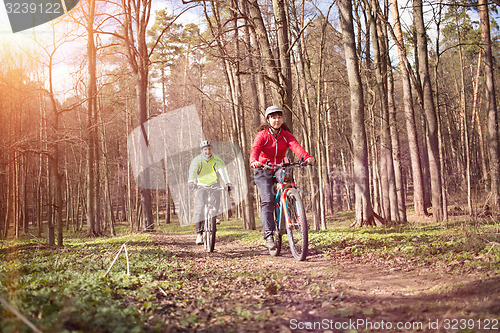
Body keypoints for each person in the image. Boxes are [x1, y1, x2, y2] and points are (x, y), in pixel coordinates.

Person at [250, 106, 315, 250]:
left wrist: (307, 157)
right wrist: (254, 161)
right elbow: (255, 149)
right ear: (268, 120)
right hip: (263, 168)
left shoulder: (286, 134)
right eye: (273, 117)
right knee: (267, 201)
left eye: (279, 117)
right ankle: (269, 235)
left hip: (280, 166)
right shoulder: (262, 134)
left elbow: (296, 146)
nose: (277, 120)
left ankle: (293, 212)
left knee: (288, 183)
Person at [188, 140, 232, 245]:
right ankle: (199, 234)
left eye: (209, 149)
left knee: (217, 198)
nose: (208, 151)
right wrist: (190, 181)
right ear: (201, 151)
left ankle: (214, 216)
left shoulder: (216, 159)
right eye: (205, 149)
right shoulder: (197, 160)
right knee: (200, 206)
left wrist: (227, 183)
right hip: (200, 185)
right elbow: (193, 171)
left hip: (213, 183)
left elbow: (223, 171)